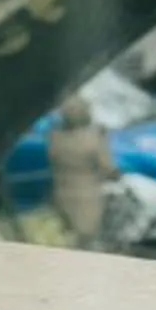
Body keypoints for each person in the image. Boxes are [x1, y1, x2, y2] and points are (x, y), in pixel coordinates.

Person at [47, 95, 114, 244]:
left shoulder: (55, 138)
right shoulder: (93, 139)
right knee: (88, 239)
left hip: (62, 194)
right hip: (87, 196)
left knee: (70, 238)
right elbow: (107, 167)